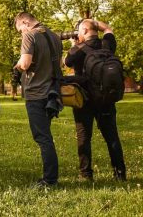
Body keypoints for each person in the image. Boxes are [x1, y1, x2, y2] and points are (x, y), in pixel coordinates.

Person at [64, 19, 126, 181]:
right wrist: (97, 24)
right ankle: (120, 174)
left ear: (84, 31)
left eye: (78, 31)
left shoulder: (79, 49)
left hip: (84, 100)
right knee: (112, 136)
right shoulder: (107, 45)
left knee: (84, 137)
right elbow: (108, 29)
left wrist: (74, 44)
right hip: (106, 98)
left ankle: (86, 174)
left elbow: (66, 63)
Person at [14, 12, 62, 187]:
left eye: (21, 29)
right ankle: (51, 176)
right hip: (52, 93)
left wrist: (18, 65)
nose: (21, 33)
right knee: (46, 135)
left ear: (25, 22)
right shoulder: (53, 36)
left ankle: (50, 179)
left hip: (36, 93)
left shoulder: (30, 35)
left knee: (42, 137)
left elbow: (25, 63)